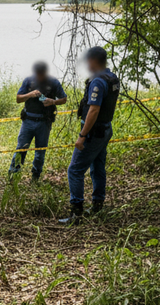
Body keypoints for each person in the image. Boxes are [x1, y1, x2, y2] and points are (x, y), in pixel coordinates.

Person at [59, 46, 120, 225]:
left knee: (75, 169)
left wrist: (82, 135)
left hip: (94, 132)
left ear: (94, 60)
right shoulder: (112, 78)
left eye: (88, 60)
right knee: (97, 166)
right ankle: (97, 205)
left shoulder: (98, 82)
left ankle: (76, 213)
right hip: (105, 129)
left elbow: (93, 110)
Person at [9, 61, 67, 181]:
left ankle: (35, 176)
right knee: (21, 148)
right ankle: (13, 175)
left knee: (40, 152)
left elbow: (64, 99)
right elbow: (18, 99)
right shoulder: (28, 81)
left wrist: (53, 101)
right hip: (28, 121)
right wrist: (29, 94)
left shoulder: (53, 82)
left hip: (44, 122)